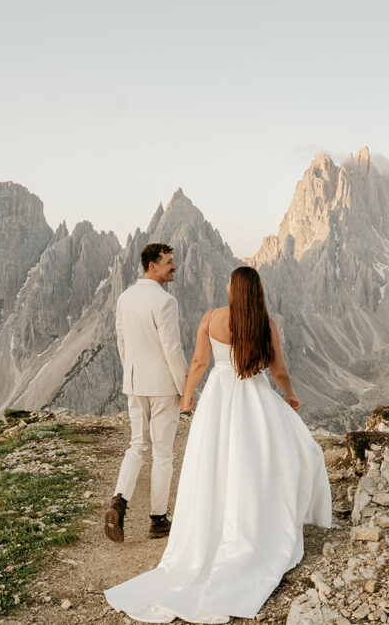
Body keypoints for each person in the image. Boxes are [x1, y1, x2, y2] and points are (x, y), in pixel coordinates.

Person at [104, 265, 333, 623]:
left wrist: (187, 396)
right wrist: (290, 395)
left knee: (214, 464)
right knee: (272, 460)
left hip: (218, 400)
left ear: (233, 289)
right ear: (256, 292)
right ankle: (261, 522)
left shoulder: (211, 318)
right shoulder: (266, 324)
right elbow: (279, 371)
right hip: (255, 400)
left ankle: (210, 528)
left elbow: (198, 362)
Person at [105, 243, 189, 543]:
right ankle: (157, 520)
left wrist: (131, 375)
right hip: (164, 387)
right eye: (169, 262)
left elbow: (121, 341)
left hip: (135, 383)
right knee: (163, 453)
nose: (174, 266)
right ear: (152, 266)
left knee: (137, 445)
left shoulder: (125, 298)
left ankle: (119, 501)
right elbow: (172, 348)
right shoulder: (165, 301)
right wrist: (186, 388)